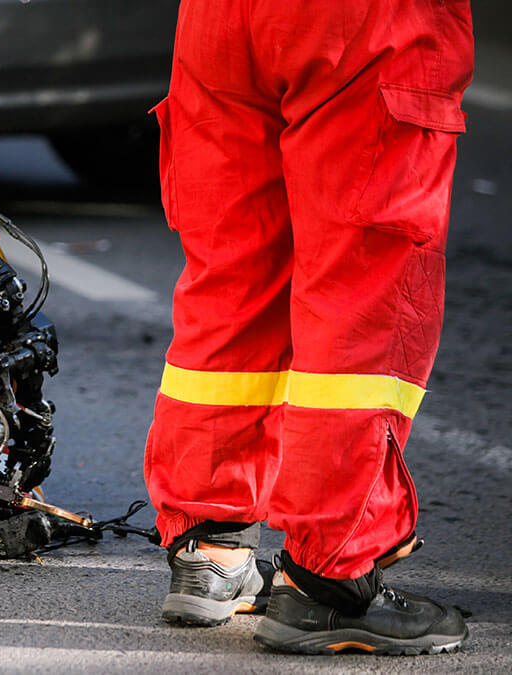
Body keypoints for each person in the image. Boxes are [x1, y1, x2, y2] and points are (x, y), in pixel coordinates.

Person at [142, 0, 473, 655]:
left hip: (223, 20)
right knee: (362, 289)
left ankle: (212, 547)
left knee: (234, 271)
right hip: (367, 23)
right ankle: (329, 577)